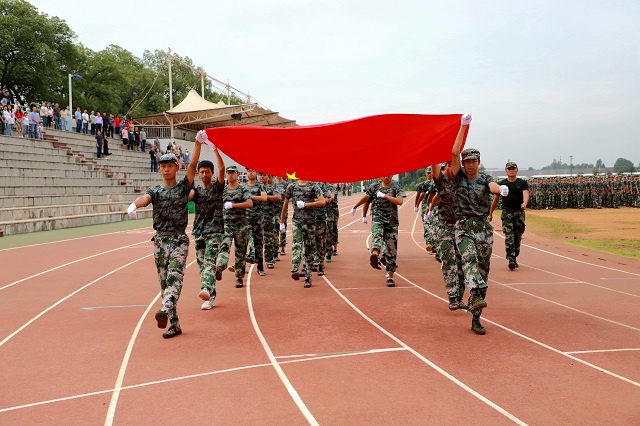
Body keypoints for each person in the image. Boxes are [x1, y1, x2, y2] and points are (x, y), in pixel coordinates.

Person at [126, 139, 202, 338]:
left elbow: (193, 165)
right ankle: (174, 324)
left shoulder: (183, 188)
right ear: (159, 169)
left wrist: (198, 144)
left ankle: (166, 308)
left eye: (170, 166)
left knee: (174, 276)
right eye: (163, 166)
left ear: (176, 168)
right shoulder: (156, 191)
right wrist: (135, 205)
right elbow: (145, 198)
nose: (166, 169)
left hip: (179, 240)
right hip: (160, 242)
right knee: (164, 284)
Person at [450, 114, 509, 335]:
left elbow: (493, 186)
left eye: (474, 161)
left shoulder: (485, 178)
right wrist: (463, 127)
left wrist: (500, 189)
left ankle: (476, 318)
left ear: (479, 162)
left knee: (483, 272)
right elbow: (454, 152)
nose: (470, 164)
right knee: (469, 260)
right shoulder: (458, 177)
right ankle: (474, 291)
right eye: (467, 161)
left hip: (483, 230)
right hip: (464, 227)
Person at [189, 132, 225, 310]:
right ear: (198, 174)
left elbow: (222, 169)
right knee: (203, 265)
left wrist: (215, 149)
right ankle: (211, 296)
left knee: (209, 260)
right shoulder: (195, 191)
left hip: (215, 230)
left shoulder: (217, 188)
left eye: (207, 172)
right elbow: (188, 195)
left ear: (211, 173)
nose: (204, 174)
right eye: (202, 172)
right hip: (199, 231)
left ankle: (205, 289)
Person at [431, 160, 467, 310]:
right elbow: (434, 165)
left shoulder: (463, 182)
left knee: (461, 262)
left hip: (461, 228)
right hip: (445, 227)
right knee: (448, 261)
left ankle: (459, 297)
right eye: (448, 166)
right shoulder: (441, 182)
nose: (451, 168)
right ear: (444, 169)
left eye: (454, 165)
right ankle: (452, 297)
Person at [280, 179, 325, 288]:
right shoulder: (292, 186)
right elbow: (285, 204)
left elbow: (322, 202)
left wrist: (306, 204)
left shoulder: (314, 186)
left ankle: (308, 276)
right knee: (296, 245)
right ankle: (295, 268)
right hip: (297, 222)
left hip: (310, 223)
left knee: (309, 249)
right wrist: (281, 221)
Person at [362, 176, 406, 287]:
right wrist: (363, 214)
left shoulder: (396, 186)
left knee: (391, 250)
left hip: (392, 221)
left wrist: (385, 196)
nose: (386, 176)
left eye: (389, 174)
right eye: (384, 174)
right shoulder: (374, 187)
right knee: (376, 235)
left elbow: (400, 201)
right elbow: (366, 200)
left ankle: (390, 277)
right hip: (378, 218)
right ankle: (375, 255)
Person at [216, 165, 253, 288]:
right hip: (226, 224)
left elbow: (250, 203)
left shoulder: (243, 189)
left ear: (237, 174)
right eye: (228, 173)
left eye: (233, 173)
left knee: (240, 252)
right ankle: (220, 267)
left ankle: (239, 277)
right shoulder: (223, 190)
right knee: (224, 246)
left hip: (241, 225)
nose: (230, 175)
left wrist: (233, 205)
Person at [489, 161, 529, 270]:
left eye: (513, 168)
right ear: (506, 171)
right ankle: (511, 259)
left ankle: (514, 255)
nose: (511, 170)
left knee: (517, 237)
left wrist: (524, 203)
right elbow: (496, 199)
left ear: (517, 170)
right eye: (509, 169)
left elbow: (525, 194)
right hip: (507, 213)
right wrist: (491, 213)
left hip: (519, 213)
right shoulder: (501, 184)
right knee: (509, 237)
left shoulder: (522, 183)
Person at [244, 168, 268, 275]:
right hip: (246, 217)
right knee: (244, 241)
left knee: (258, 242)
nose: (250, 173)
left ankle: (260, 266)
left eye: (253, 171)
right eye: (249, 171)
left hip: (258, 218)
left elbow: (264, 198)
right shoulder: (243, 186)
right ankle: (242, 267)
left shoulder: (260, 185)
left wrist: (251, 197)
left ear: (256, 173)